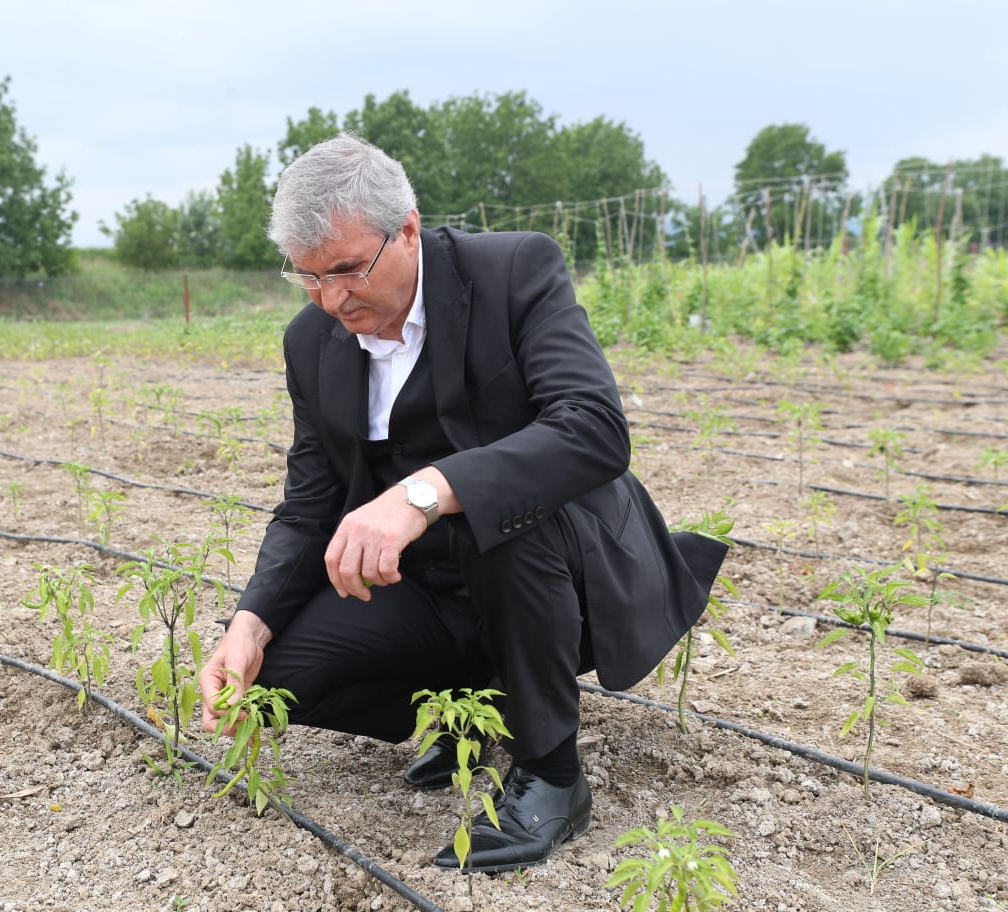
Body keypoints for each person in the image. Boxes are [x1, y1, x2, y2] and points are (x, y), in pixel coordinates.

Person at [198, 133, 726, 872]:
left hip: (552, 558)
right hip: (430, 583)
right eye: (308, 277)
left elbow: (594, 429)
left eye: (348, 270)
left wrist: (423, 494)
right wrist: (248, 622)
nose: (332, 299)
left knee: (498, 516)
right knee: (278, 679)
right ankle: (468, 711)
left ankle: (552, 774)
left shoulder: (513, 270)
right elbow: (309, 501)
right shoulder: (312, 339)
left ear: (407, 229)